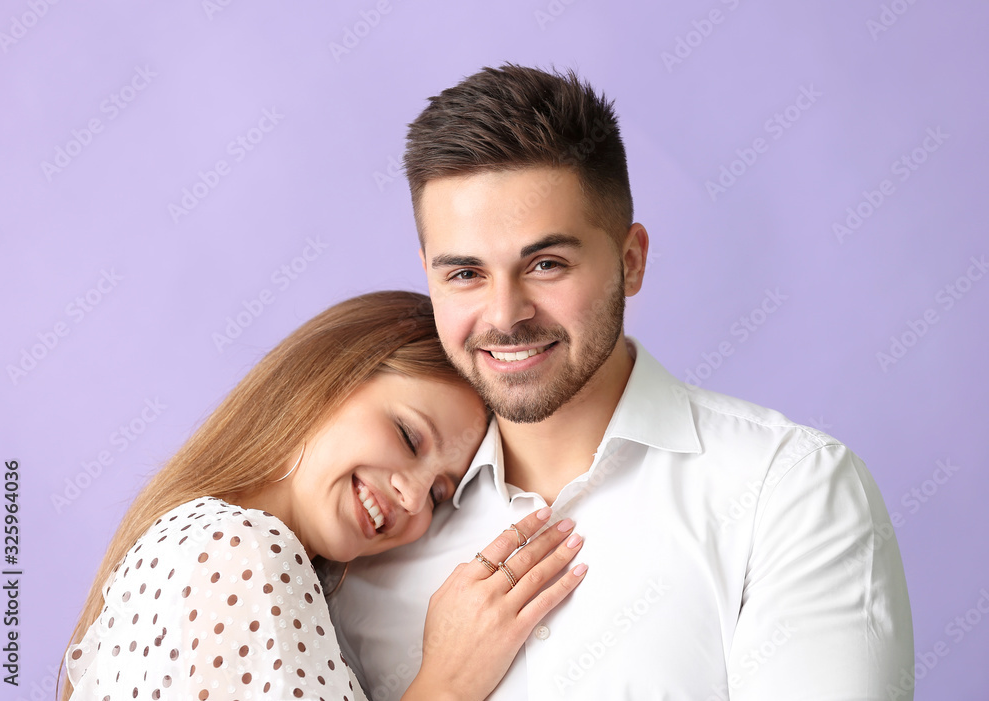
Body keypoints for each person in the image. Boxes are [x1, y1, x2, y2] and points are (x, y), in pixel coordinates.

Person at [329, 65, 915, 699]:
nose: (505, 315)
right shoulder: (365, 537)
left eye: (546, 264)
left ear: (630, 261)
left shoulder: (788, 493)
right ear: (429, 275)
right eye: (466, 274)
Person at [60, 290, 589, 701]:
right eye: (409, 437)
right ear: (327, 379)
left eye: (439, 491)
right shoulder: (239, 551)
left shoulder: (211, 542)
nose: (412, 498)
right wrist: (447, 682)